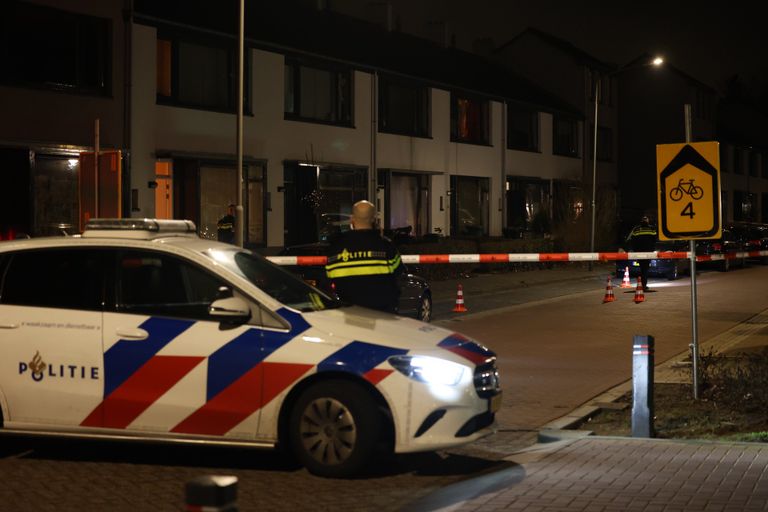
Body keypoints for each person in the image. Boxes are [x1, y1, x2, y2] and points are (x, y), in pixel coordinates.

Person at [324, 200, 403, 314]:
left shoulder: (336, 247)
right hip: (383, 315)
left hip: (349, 315)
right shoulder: (385, 245)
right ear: (374, 219)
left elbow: (330, 276)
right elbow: (398, 273)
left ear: (352, 219)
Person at [625, 214, 658, 291]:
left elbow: (632, 241)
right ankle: (643, 285)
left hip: (639, 252)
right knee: (645, 269)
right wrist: (652, 249)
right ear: (647, 221)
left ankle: (642, 284)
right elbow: (654, 240)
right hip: (648, 252)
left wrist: (635, 250)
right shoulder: (652, 229)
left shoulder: (636, 229)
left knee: (642, 268)